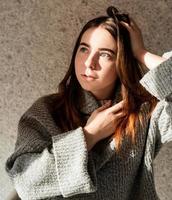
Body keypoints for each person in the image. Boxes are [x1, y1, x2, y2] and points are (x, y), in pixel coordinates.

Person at [5, 6, 172, 200]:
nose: (88, 63)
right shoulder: (47, 111)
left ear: (122, 62)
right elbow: (26, 183)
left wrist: (141, 53)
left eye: (105, 54)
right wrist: (90, 134)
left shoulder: (145, 113)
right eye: (84, 49)